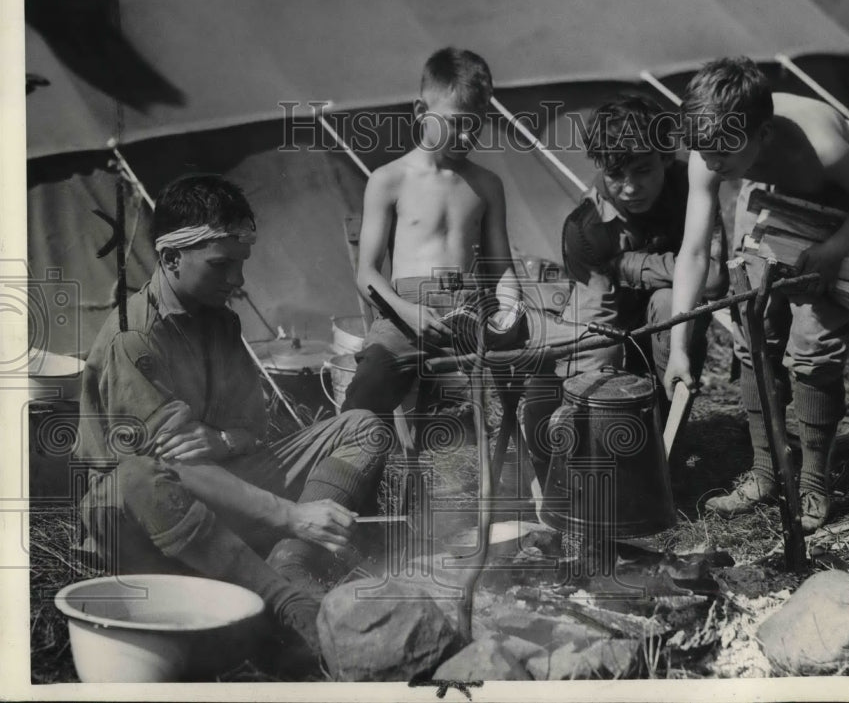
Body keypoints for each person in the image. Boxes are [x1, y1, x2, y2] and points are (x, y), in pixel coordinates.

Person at [75, 174, 387, 662]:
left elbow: (253, 427)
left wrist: (222, 440)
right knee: (136, 476)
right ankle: (287, 601)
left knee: (362, 424)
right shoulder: (132, 338)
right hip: (153, 522)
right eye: (222, 265)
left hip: (225, 489)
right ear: (171, 258)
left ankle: (290, 563)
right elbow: (174, 466)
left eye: (240, 264)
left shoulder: (219, 319)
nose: (238, 282)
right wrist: (293, 513)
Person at [665, 57, 849, 532]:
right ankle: (767, 471)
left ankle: (813, 483)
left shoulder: (825, 148)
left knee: (812, 350)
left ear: (761, 135)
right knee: (753, 332)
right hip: (768, 193)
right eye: (703, 153)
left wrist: (832, 251)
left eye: (722, 154)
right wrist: (679, 349)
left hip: (837, 202)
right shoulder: (713, 150)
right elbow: (693, 252)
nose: (711, 165)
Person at [338, 47, 522, 507]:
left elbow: (501, 269)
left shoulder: (486, 184)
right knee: (362, 401)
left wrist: (510, 308)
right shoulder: (390, 179)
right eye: (456, 120)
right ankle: (341, 508)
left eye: (476, 122)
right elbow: (367, 274)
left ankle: (528, 511)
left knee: (523, 390)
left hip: (468, 314)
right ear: (421, 111)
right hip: (404, 315)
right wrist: (406, 312)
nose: (466, 133)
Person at [520, 95, 728, 485]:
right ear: (600, 166)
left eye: (643, 170)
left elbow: (714, 278)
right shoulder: (586, 227)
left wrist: (630, 265)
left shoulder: (691, 188)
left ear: (666, 156)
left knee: (673, 304)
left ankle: (664, 451)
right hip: (612, 325)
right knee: (587, 362)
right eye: (617, 175)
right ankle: (595, 460)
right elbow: (598, 332)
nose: (631, 188)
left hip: (665, 331)